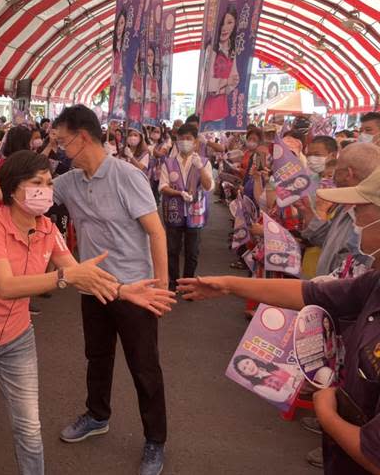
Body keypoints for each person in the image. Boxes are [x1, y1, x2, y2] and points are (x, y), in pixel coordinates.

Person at [0, 105, 171, 475]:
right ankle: (97, 414)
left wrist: (161, 287)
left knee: (144, 366)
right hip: (89, 282)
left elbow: (156, 232)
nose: (57, 147)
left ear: (82, 137)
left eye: (61, 140)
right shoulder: (71, 180)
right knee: (97, 356)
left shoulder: (127, 177)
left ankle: (155, 440)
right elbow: (22, 191)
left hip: (135, 287)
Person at [178, 166, 380, 475]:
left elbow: (373, 454)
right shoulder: (375, 281)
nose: (352, 216)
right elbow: (312, 293)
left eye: (362, 208)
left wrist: (327, 413)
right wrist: (228, 284)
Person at [298, 143, 380, 277]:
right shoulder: (344, 204)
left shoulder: (366, 206)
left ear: (348, 173)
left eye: (337, 169)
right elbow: (326, 240)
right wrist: (308, 212)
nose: (356, 224)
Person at [159, 124, 214, 291]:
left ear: (196, 142)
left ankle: (188, 284)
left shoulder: (203, 162)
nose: (184, 142)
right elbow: (162, 186)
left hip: (195, 213)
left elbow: (208, 186)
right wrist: (179, 194)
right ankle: (173, 283)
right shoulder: (168, 163)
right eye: (181, 138)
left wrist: (201, 169)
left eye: (188, 139)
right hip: (174, 211)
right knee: (172, 250)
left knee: (192, 252)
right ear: (176, 141)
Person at [201, 5, 240, 131]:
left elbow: (235, 79)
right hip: (209, 110)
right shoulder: (211, 50)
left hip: (223, 109)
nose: (225, 28)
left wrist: (224, 85)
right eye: (222, 24)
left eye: (229, 23)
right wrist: (225, 82)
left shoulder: (232, 51)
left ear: (234, 25)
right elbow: (208, 83)